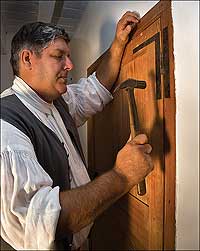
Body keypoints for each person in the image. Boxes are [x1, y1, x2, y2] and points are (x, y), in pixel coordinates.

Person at [0, 11, 153, 250]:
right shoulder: (6, 127)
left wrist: (118, 45)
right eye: (59, 56)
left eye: (68, 56)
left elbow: (94, 89)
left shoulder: (55, 100)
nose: (69, 65)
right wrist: (122, 176)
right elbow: (40, 220)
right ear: (27, 59)